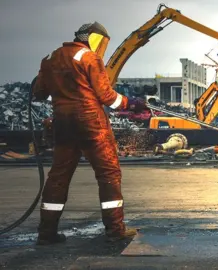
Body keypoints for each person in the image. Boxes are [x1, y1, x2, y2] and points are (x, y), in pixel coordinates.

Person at [32, 22, 145, 245]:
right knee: (108, 174)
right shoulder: (89, 58)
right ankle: (115, 230)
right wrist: (130, 103)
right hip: (91, 123)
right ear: (95, 39)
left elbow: (39, 93)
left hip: (62, 123)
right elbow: (107, 97)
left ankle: (47, 232)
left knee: (58, 176)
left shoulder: (50, 58)